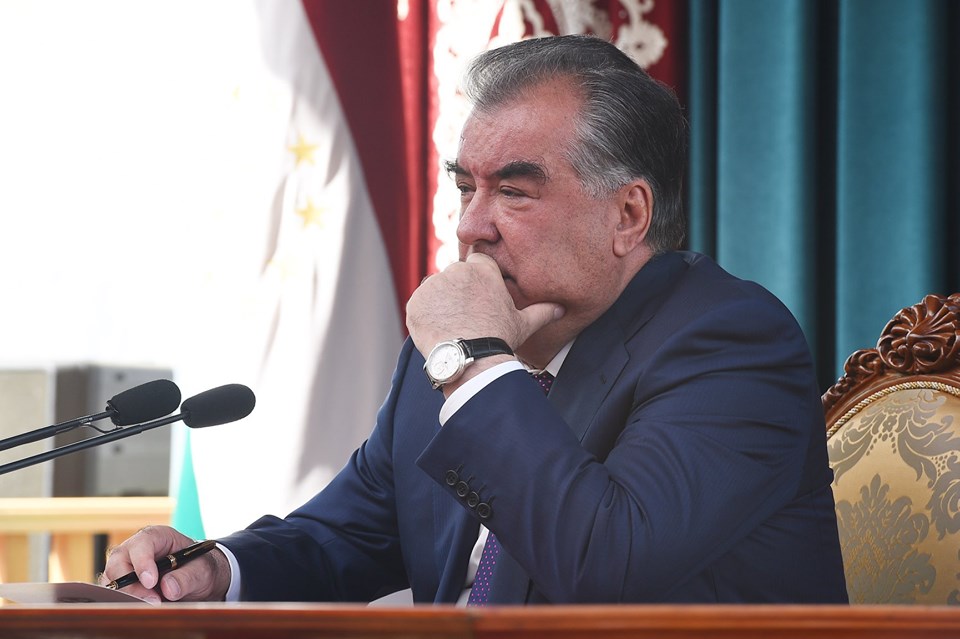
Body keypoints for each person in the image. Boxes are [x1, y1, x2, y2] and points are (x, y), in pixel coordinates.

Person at [102, 34, 848, 605]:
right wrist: (216, 567)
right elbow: (346, 535)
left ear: (628, 214)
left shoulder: (729, 346)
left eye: (514, 193)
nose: (470, 228)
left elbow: (605, 564)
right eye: (466, 189)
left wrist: (477, 366)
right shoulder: (448, 355)